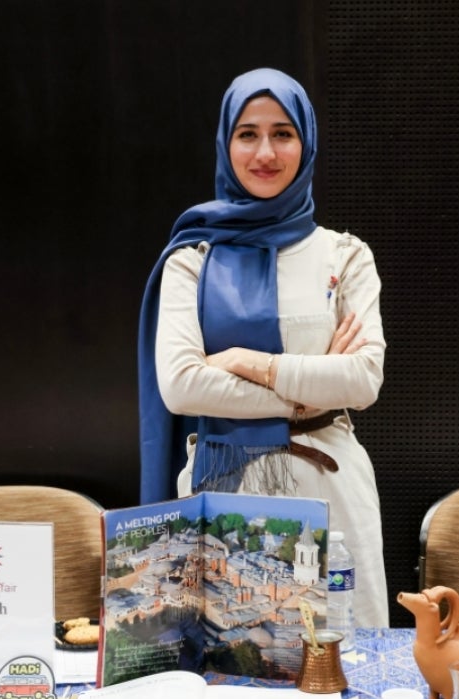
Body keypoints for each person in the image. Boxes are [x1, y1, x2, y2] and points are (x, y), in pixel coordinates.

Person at [137, 67, 389, 627]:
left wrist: (253, 364)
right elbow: (180, 386)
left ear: (307, 141)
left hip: (330, 487)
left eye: (283, 133)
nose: (265, 152)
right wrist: (307, 393)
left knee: (344, 663)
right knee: (230, 661)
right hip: (221, 490)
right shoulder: (192, 259)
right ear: (226, 144)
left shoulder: (343, 256)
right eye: (247, 134)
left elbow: (363, 380)